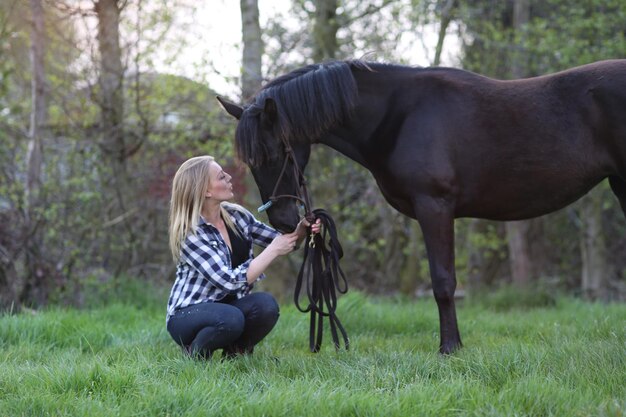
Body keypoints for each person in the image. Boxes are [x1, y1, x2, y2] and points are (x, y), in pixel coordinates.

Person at [166, 155, 319, 359]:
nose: (229, 177)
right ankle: (196, 355)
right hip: (187, 314)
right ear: (206, 190)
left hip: (228, 308)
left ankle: (235, 355)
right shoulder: (190, 233)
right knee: (231, 319)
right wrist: (273, 250)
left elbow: (281, 241)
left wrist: (302, 229)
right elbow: (228, 282)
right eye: (221, 177)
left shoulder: (237, 216)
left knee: (266, 306)